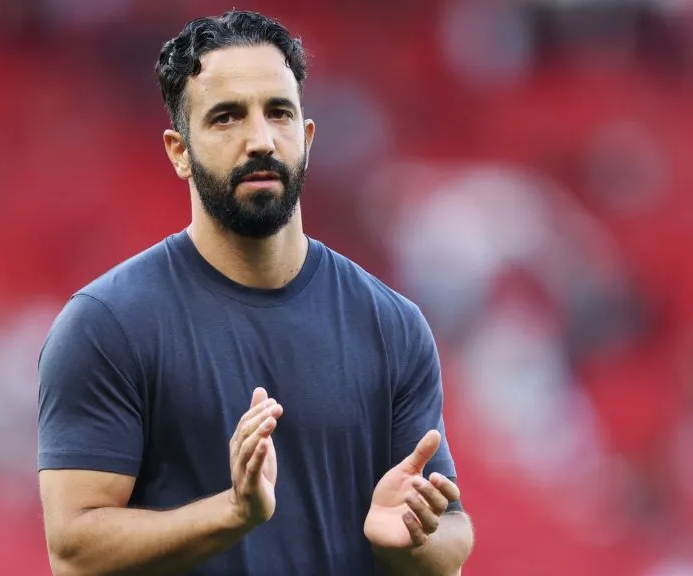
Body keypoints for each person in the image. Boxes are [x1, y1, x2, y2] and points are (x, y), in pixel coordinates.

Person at [36, 10, 475, 576]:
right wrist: (233, 513)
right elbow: (74, 553)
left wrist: (410, 541)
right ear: (179, 150)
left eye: (278, 113)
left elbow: (452, 538)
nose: (260, 140)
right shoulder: (107, 325)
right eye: (226, 118)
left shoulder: (392, 325)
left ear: (307, 137)